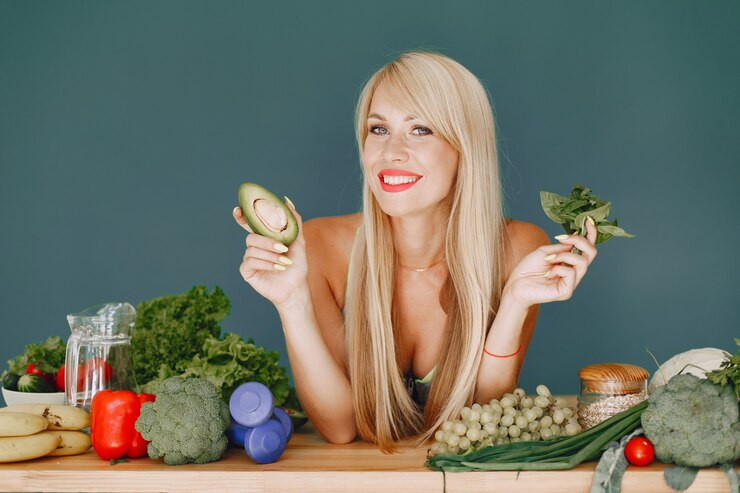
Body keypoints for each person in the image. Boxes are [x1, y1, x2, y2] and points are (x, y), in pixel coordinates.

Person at [233, 51, 598, 452]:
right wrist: (291, 302)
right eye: (378, 129)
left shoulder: (518, 250)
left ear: (465, 148)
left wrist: (513, 304)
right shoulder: (321, 246)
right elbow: (340, 427)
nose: (391, 152)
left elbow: (481, 421)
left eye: (421, 129)